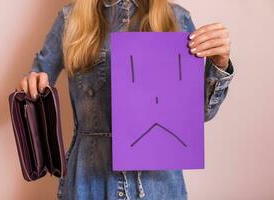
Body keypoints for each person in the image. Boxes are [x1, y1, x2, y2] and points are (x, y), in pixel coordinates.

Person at [17, 0, 235, 199]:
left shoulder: (177, 18)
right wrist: (32, 87)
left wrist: (219, 65)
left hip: (158, 188)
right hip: (89, 185)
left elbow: (199, 114)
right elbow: (37, 85)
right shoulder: (70, 19)